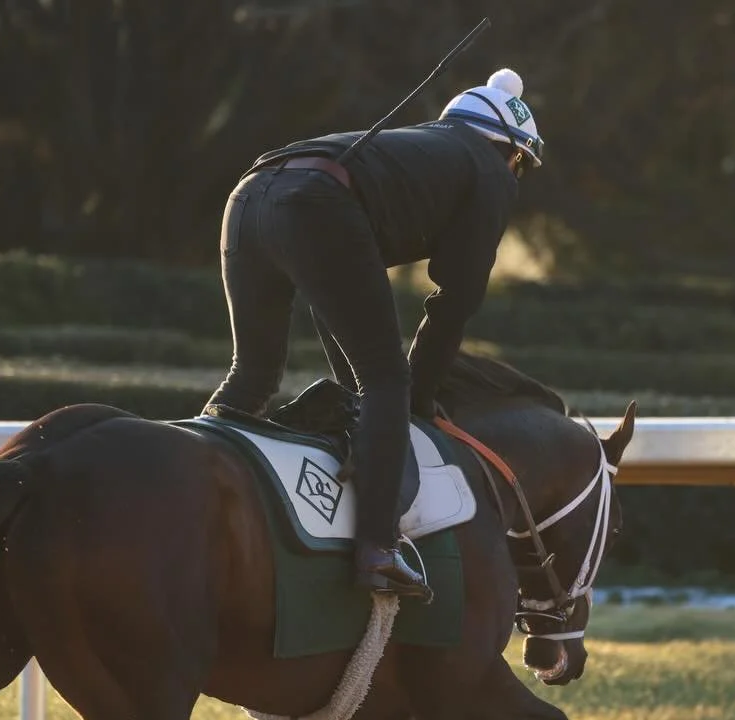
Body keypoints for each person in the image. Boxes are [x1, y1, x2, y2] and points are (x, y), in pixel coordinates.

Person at [205, 68, 543, 603]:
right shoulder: (490, 170)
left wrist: (366, 402)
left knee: (252, 374)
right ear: (508, 148)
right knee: (388, 379)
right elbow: (455, 302)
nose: (516, 174)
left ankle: (197, 478)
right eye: (521, 161)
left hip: (249, 194)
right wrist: (417, 399)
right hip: (316, 202)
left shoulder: (422, 152)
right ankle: (378, 551)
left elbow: (334, 294)